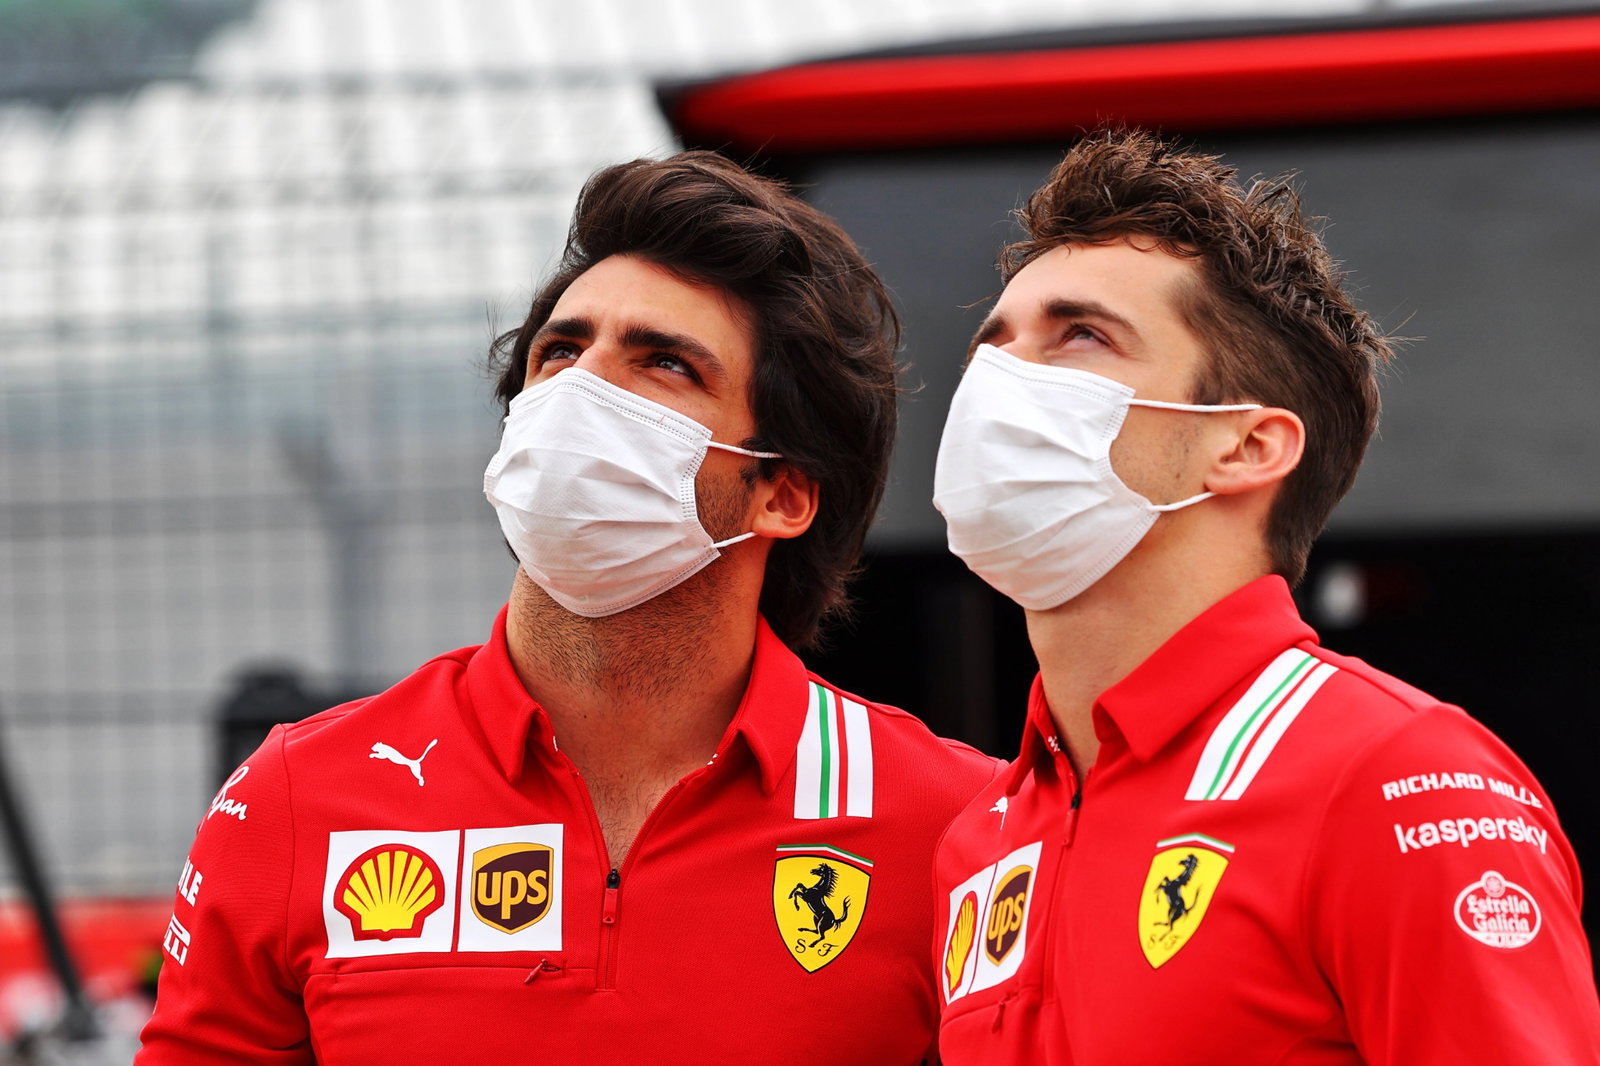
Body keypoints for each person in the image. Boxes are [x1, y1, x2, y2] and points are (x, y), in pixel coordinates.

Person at [138, 151, 999, 1064]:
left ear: (780, 492)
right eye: (561, 350)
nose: (582, 389)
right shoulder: (296, 799)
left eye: (663, 363)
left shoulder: (957, 823)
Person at [929, 129, 1600, 1064]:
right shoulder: (982, 836)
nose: (999, 383)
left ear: (1246, 446)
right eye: (993, 346)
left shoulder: (1394, 775)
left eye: (1080, 335)